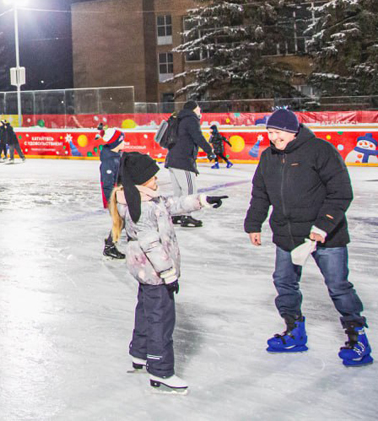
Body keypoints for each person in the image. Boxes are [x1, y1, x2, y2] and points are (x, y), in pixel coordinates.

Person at [244, 108, 371, 366]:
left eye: (277, 133)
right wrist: (253, 224)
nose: (273, 138)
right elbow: (260, 193)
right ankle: (294, 331)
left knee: (338, 286)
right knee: (284, 283)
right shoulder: (268, 157)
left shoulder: (320, 151)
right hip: (286, 234)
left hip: (325, 236)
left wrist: (322, 226)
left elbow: (341, 192)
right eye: (269, 133)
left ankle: (357, 337)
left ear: (292, 132)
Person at [109, 151, 226, 393]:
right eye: (152, 178)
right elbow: (151, 244)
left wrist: (202, 200)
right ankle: (160, 371)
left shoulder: (146, 199)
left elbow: (173, 204)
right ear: (140, 182)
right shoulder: (140, 207)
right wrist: (168, 274)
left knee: (145, 311)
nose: (156, 181)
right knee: (161, 318)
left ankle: (140, 354)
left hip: (146, 271)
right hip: (155, 271)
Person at [162, 101, 213, 228]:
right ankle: (187, 216)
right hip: (183, 161)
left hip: (172, 160)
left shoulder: (179, 118)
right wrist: (209, 151)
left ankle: (176, 215)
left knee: (178, 191)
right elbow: (198, 137)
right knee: (189, 190)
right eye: (198, 109)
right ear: (194, 109)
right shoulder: (190, 119)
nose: (200, 111)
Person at [99, 127, 126, 260]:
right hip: (113, 198)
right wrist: (113, 200)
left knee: (122, 220)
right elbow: (108, 184)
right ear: (116, 143)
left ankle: (111, 243)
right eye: (122, 140)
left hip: (120, 196)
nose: (124, 142)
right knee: (119, 221)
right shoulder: (109, 161)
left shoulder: (116, 156)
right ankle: (110, 246)